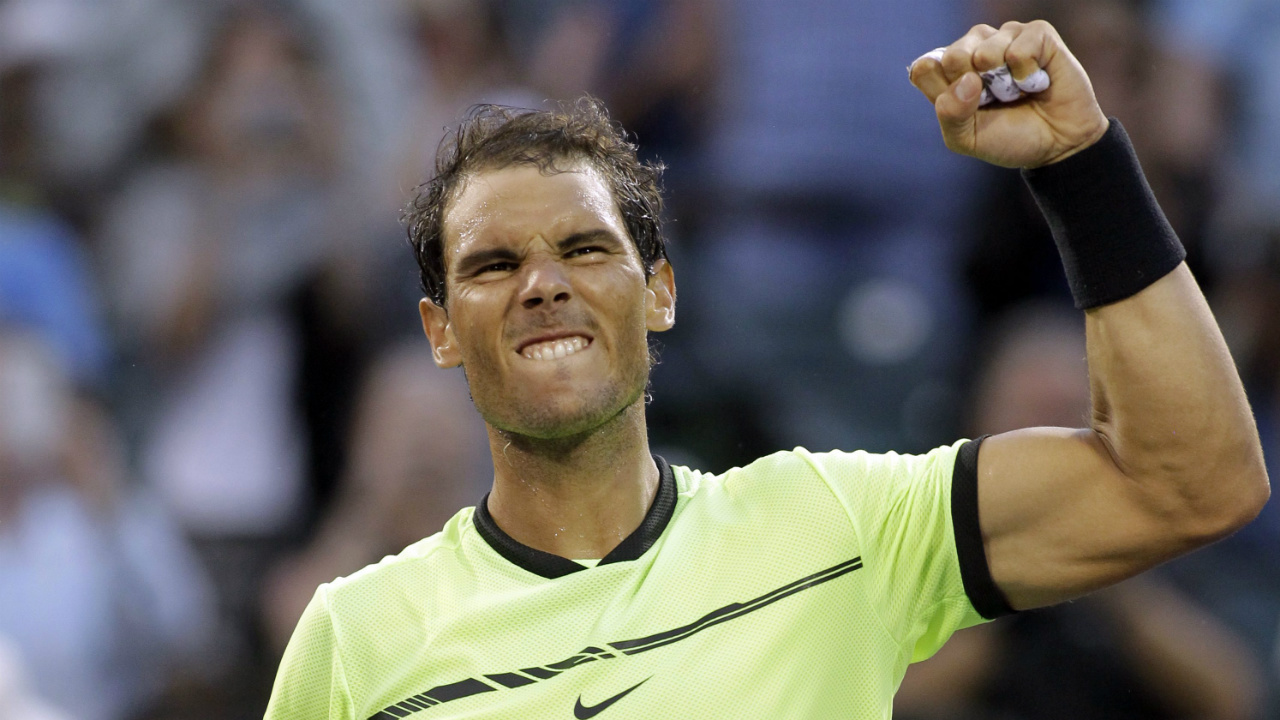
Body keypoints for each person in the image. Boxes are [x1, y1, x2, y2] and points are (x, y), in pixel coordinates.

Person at [264, 20, 1269, 719]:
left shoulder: (834, 525)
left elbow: (1188, 481)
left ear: (658, 292)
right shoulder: (354, 637)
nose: (541, 285)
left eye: (583, 250)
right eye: (492, 264)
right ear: (438, 330)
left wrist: (1083, 165)